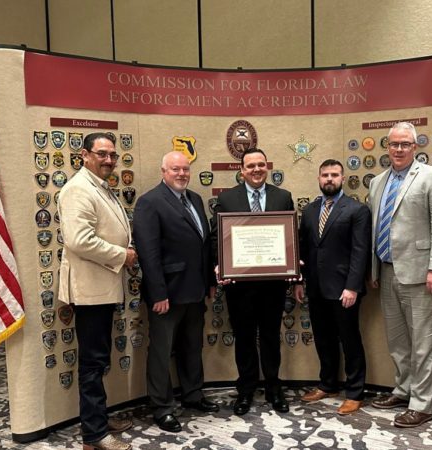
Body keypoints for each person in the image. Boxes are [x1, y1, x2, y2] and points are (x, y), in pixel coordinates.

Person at [368, 122, 432, 428]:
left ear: (415, 147)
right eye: (394, 144)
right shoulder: (377, 182)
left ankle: (422, 404)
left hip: (421, 274)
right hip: (388, 270)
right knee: (398, 341)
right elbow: (377, 227)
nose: (399, 149)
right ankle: (403, 390)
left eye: (405, 144)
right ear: (387, 147)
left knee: (423, 343)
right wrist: (374, 268)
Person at [58, 132, 137, 450]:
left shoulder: (99, 187)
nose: (108, 160)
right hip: (90, 291)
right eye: (102, 153)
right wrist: (124, 255)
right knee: (92, 364)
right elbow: (79, 241)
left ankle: (98, 418)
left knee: (99, 360)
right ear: (85, 155)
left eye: (112, 155)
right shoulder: (77, 189)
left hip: (102, 287)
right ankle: (94, 436)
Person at [133, 151, 219, 433]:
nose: (181, 174)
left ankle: (193, 395)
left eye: (185, 169)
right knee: (161, 351)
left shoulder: (195, 199)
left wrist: (210, 282)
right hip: (167, 294)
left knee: (192, 346)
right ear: (163, 171)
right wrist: (158, 294)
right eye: (175, 169)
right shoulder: (149, 202)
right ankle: (162, 407)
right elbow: (148, 252)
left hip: (194, 290)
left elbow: (203, 246)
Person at [211, 148, 294, 416]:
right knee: (244, 338)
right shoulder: (227, 198)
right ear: (242, 170)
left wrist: (293, 262)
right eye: (251, 166)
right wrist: (220, 264)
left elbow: (290, 236)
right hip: (240, 286)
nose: (256, 169)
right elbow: (216, 238)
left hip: (273, 285)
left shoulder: (283, 197)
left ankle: (273, 388)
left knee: (270, 336)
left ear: (266, 166)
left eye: (261, 164)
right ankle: (246, 389)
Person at [294, 159, 371, 415]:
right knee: (323, 339)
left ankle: (355, 391)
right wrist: (299, 281)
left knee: (350, 340)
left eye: (334, 175)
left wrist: (352, 287)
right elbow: (303, 249)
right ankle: (327, 384)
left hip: (343, 289)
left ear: (342, 178)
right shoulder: (311, 210)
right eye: (325, 174)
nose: (329, 178)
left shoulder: (357, 210)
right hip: (315, 287)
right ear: (319, 178)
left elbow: (361, 253)